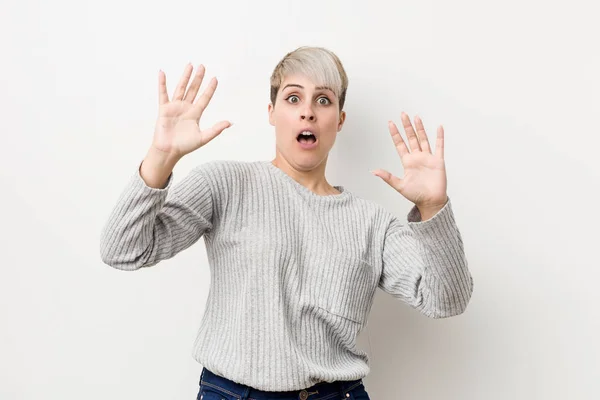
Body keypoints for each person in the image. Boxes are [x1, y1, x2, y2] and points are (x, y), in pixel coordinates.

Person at [100, 46, 474, 400]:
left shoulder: (373, 224)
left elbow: (447, 301)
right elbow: (123, 250)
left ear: (339, 120)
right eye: (293, 98)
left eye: (323, 100)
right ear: (271, 112)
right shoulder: (225, 184)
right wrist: (160, 157)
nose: (307, 112)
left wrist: (433, 207)